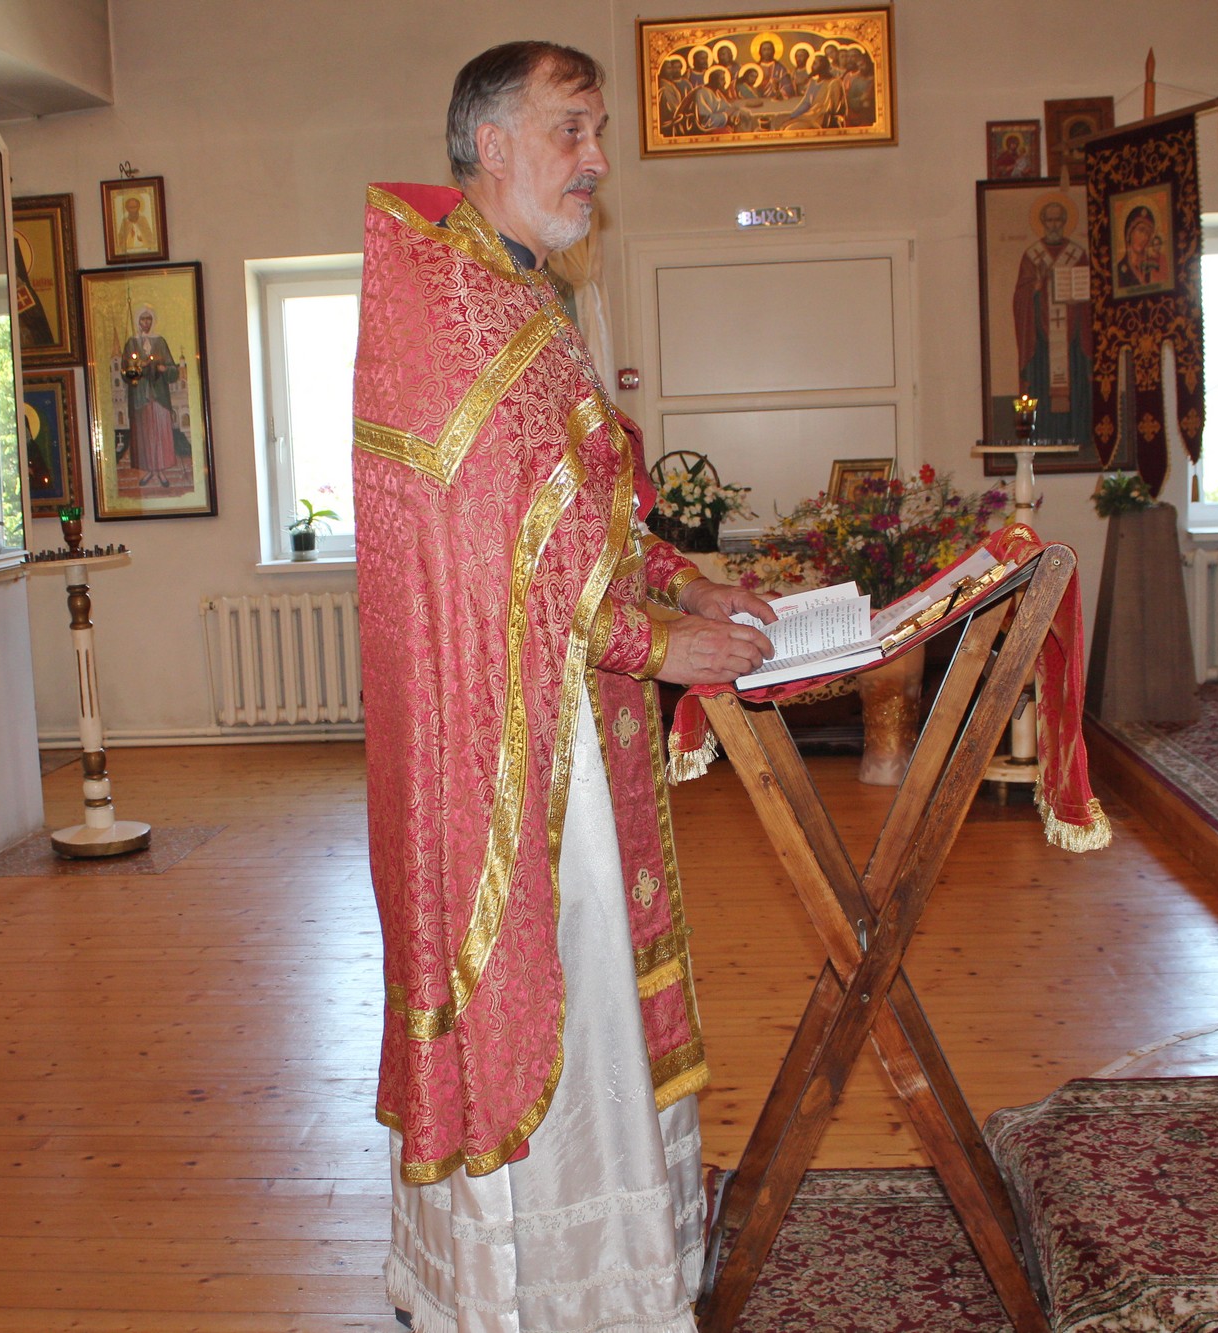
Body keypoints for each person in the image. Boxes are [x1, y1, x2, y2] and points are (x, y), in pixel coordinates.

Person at [353, 40, 776, 1332]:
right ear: (491, 146)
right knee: (561, 978)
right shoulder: (452, 305)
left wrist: (686, 583)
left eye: (598, 134)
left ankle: (622, 1263)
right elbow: (500, 552)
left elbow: (588, 511)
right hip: (507, 744)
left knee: (604, 978)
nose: (596, 161)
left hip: (573, 707)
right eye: (571, 131)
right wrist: (659, 646)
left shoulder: (522, 293)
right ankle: (541, 1288)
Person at [1012, 198, 1092, 441]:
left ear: (1065, 222)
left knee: (1076, 386)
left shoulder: (1077, 254)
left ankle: (1077, 437)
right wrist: (1036, 287)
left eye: (1059, 220)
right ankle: (1043, 436)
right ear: (1043, 222)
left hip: (1073, 341)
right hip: (1042, 343)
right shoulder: (1032, 256)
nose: (1054, 224)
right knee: (1041, 387)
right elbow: (1020, 299)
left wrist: (1080, 302)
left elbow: (1091, 294)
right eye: (1050, 220)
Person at [119, 306, 180, 489]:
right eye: (142, 319)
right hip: (140, 398)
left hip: (159, 397)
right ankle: (149, 470)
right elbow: (126, 372)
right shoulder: (132, 343)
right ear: (137, 321)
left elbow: (173, 371)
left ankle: (160, 470)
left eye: (149, 319)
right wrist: (140, 366)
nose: (146, 323)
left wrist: (164, 369)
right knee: (145, 434)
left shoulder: (160, 341)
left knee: (160, 432)